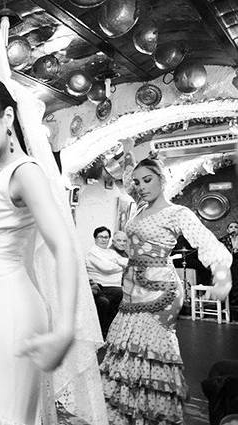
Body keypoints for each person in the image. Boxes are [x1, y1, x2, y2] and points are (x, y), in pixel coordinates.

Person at [0, 20, 106, 424]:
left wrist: (64, 328)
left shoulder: (25, 173)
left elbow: (64, 247)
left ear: (8, 116)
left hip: (11, 313)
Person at [100, 156, 233, 424]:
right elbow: (130, 184)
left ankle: (153, 415)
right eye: (137, 182)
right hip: (131, 289)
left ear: (162, 179)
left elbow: (208, 243)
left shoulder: (177, 212)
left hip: (159, 291)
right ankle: (128, 413)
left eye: (147, 180)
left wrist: (222, 279)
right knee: (126, 348)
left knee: (150, 349)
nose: (141, 186)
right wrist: (128, 153)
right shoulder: (139, 209)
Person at [85, 226, 127, 338]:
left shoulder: (111, 252)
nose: (104, 240)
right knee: (117, 295)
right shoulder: (92, 252)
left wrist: (117, 262)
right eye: (101, 237)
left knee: (123, 295)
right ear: (95, 238)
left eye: (106, 237)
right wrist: (120, 266)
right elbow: (106, 267)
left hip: (113, 286)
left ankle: (112, 332)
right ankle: (105, 332)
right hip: (101, 286)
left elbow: (126, 262)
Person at [219, 221, 238, 307]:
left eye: (236, 227)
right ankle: (228, 301)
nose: (233, 229)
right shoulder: (224, 240)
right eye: (231, 227)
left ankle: (235, 301)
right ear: (228, 230)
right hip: (227, 262)